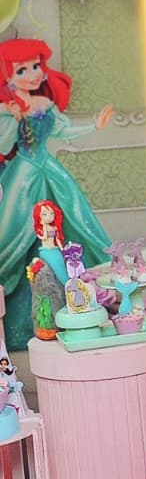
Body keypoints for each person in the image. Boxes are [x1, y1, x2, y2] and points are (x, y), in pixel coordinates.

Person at [0, 39, 113, 350]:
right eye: (22, 69)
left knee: (72, 222)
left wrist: (94, 125)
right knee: (12, 238)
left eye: (36, 66)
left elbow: (63, 130)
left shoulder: (45, 104)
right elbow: (4, 145)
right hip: (23, 175)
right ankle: (18, 326)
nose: (33, 74)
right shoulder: (8, 110)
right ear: (7, 76)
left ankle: (74, 306)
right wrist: (12, 118)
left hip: (48, 170)